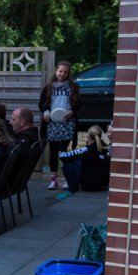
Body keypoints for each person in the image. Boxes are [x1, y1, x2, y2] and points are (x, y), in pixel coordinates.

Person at [39, 60, 80, 190]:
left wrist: (72, 111)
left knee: (63, 152)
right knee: (53, 152)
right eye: (60, 71)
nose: (62, 74)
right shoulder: (49, 87)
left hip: (67, 124)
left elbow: (79, 104)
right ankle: (53, 180)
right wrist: (45, 112)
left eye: (65, 72)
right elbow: (42, 104)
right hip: (52, 124)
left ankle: (68, 179)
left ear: (68, 74)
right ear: (56, 71)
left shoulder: (73, 87)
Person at [58, 124, 111, 196]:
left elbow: (64, 156)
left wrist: (60, 151)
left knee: (68, 162)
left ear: (88, 136)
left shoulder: (88, 149)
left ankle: (74, 191)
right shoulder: (107, 147)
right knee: (80, 160)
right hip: (106, 184)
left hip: (89, 185)